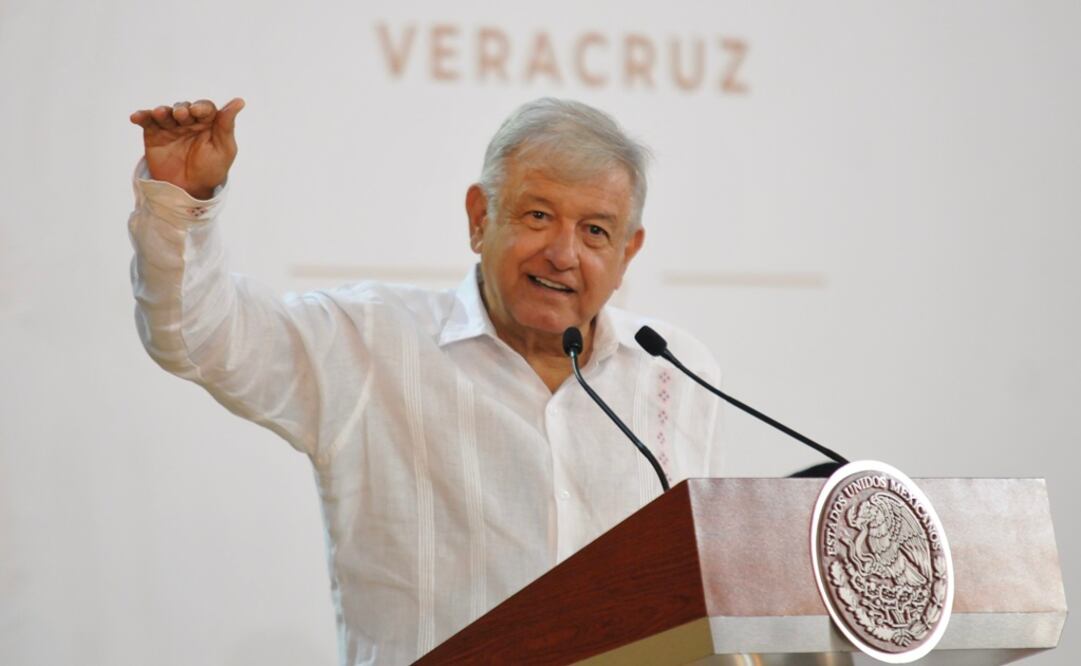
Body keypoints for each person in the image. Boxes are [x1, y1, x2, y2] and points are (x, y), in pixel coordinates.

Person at [128, 97, 723, 664]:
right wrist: (182, 201)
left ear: (629, 250)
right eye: (538, 216)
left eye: (595, 230)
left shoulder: (673, 367)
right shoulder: (370, 341)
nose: (563, 253)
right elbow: (198, 335)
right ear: (478, 218)